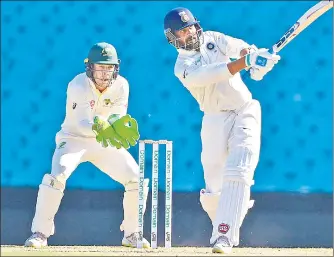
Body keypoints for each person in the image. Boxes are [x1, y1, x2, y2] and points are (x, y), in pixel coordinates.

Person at [164, 7, 281, 254]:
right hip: (214, 118)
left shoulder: (212, 39)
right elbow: (214, 73)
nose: (191, 33)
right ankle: (228, 215)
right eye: (183, 31)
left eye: (192, 27)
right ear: (173, 38)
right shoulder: (182, 67)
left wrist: (253, 57)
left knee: (239, 168)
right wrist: (245, 62)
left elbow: (237, 46)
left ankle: (223, 236)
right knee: (214, 185)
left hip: (244, 109)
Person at [24, 42, 150, 248]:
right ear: (89, 67)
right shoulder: (77, 84)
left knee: (135, 178)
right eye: (100, 67)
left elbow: (118, 115)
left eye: (109, 67)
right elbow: (82, 123)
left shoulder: (122, 85)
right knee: (57, 176)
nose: (104, 73)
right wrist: (101, 126)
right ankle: (40, 233)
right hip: (74, 139)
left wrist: (116, 126)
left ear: (116, 68)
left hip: (104, 140)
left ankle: (132, 233)